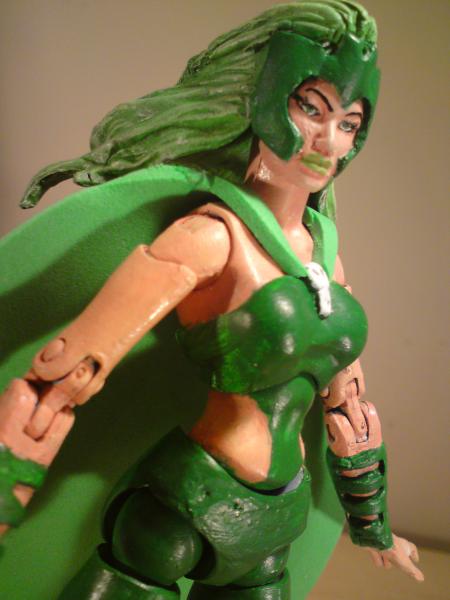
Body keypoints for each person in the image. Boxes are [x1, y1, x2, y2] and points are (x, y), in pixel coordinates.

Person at [0, 2, 423, 598]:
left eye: (349, 123)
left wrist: (374, 527)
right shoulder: (210, 237)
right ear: (267, 99)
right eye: (311, 108)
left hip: (278, 519)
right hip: (183, 508)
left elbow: (348, 407)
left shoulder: (324, 251)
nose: (329, 140)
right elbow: (65, 377)